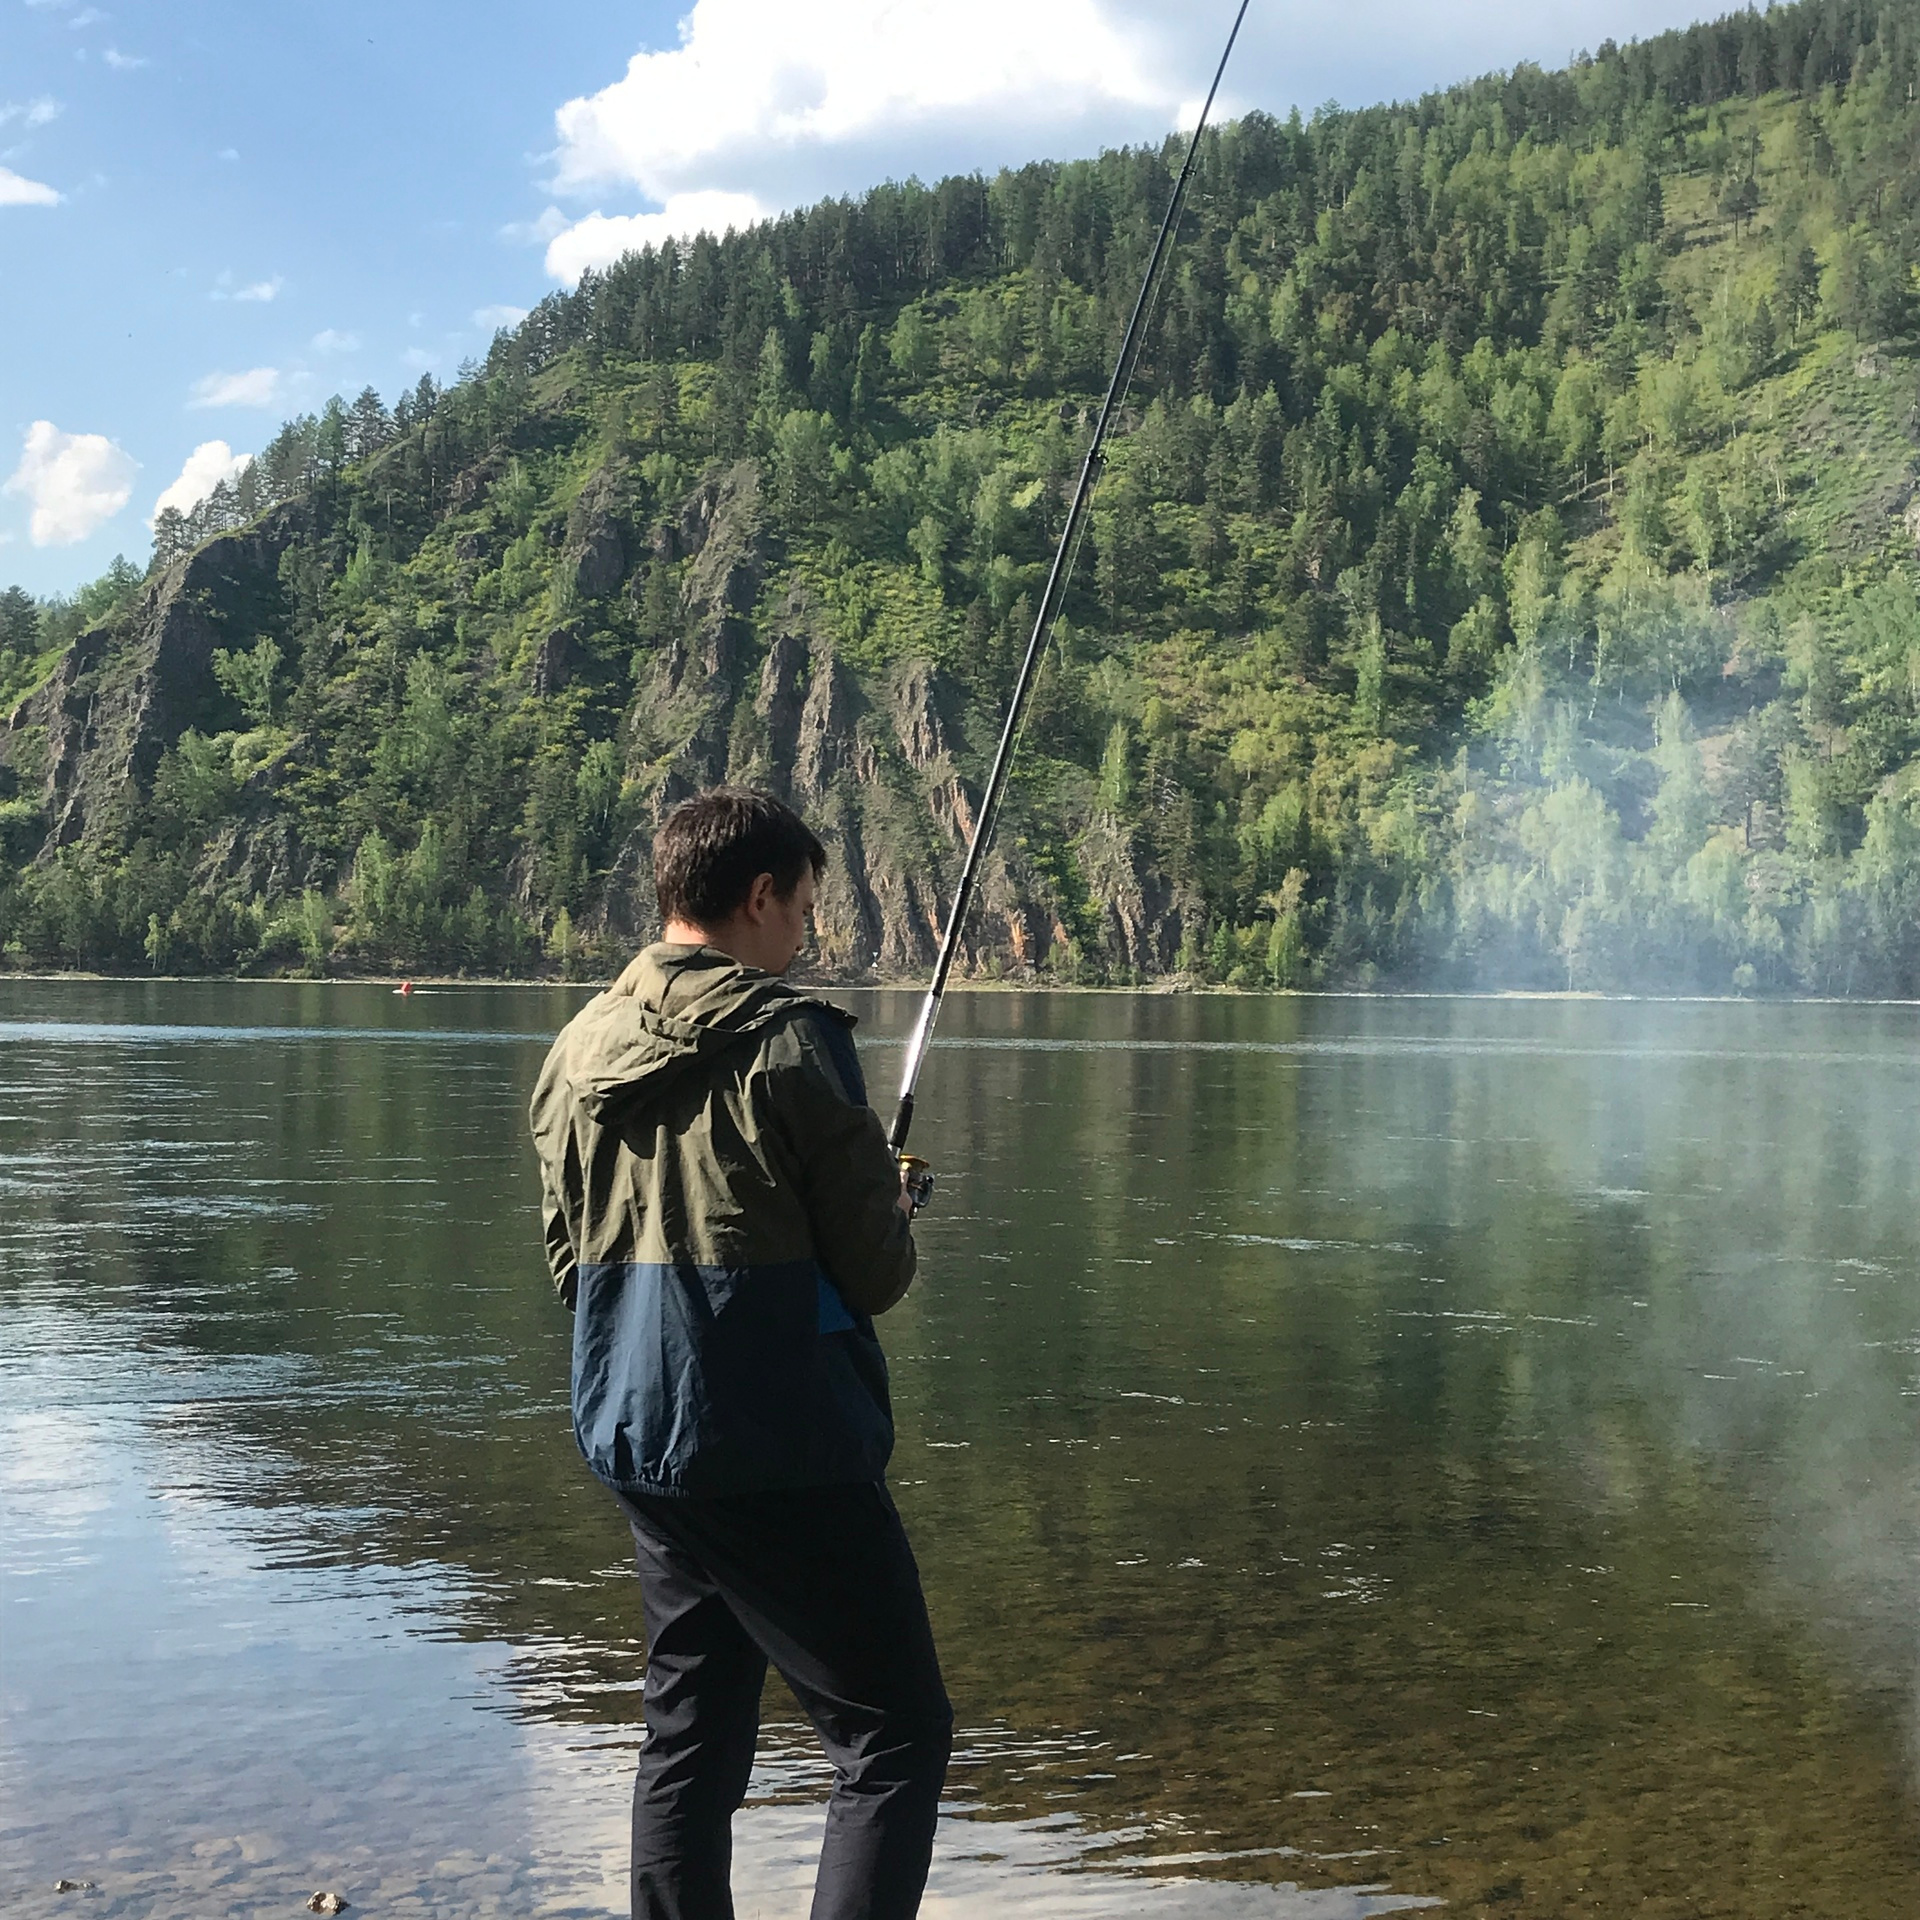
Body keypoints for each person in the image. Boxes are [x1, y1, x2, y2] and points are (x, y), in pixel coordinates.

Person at [529, 786, 951, 1920]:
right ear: (758, 895)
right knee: (894, 1737)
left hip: (642, 1437)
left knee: (691, 1736)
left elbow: (572, 1266)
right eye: (804, 906)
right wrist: (889, 1206)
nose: (806, 934)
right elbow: (875, 1275)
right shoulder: (793, 1041)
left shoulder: (575, 1048)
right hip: (785, 1447)